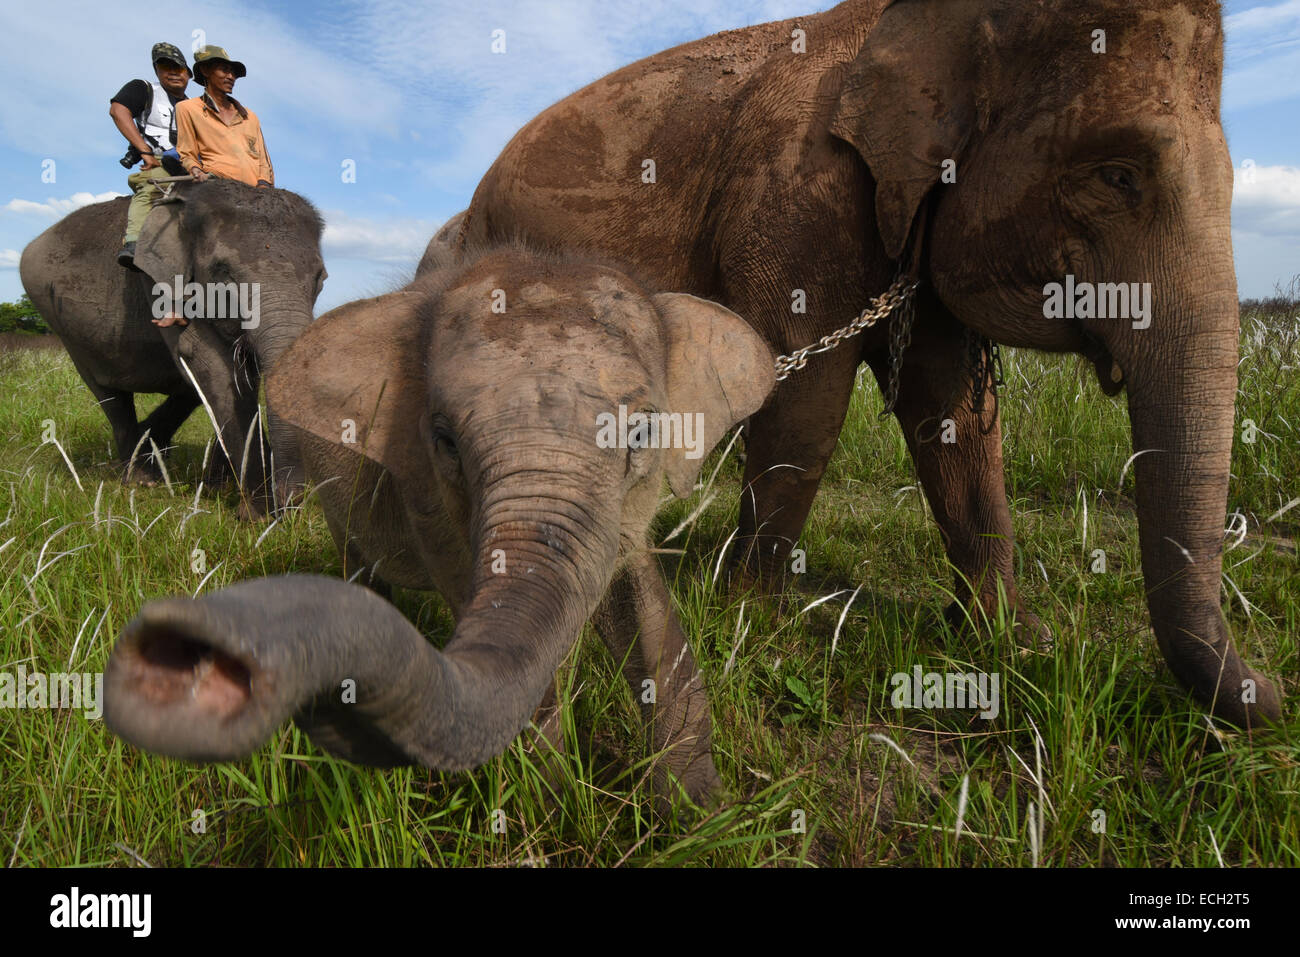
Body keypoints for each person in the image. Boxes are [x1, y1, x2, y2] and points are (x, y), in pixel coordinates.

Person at [111, 42, 191, 269]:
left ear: (189, 74)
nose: (174, 72)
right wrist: (144, 151)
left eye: (180, 68)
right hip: (160, 164)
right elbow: (118, 111)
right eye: (166, 67)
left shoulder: (194, 106)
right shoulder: (144, 89)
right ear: (157, 70)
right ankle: (134, 243)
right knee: (150, 190)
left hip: (191, 165)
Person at [175, 46, 274, 188]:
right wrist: (195, 170)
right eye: (224, 70)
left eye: (233, 73)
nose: (231, 77)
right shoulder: (187, 108)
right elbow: (187, 153)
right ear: (205, 70)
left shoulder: (250, 116)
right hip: (218, 188)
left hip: (255, 192)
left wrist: (264, 186)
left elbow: (264, 162)